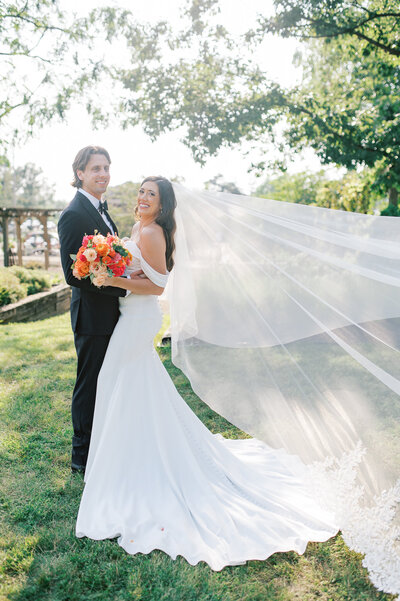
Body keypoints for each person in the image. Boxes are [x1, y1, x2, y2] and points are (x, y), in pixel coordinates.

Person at [75, 176, 338, 570]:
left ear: (163, 205)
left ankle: (139, 459)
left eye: (152, 194)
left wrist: (109, 277)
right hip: (129, 314)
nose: (143, 197)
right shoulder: (135, 228)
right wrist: (110, 270)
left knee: (124, 379)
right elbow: (139, 276)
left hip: (140, 317)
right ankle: (138, 450)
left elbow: (159, 284)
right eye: (142, 191)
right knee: (131, 384)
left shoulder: (152, 232)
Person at [58, 146, 126, 474]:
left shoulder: (102, 209)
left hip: (113, 313)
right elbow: (72, 273)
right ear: (80, 173)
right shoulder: (73, 214)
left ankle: (104, 444)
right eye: (95, 168)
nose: (103, 174)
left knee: (109, 380)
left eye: (106, 167)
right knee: (89, 384)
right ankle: (80, 457)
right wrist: (121, 284)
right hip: (92, 316)